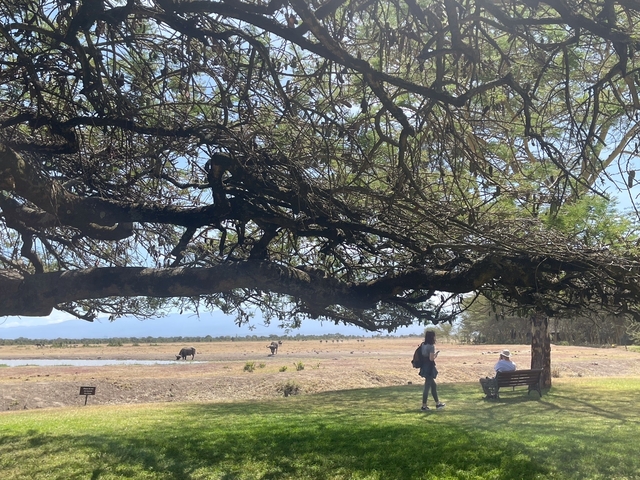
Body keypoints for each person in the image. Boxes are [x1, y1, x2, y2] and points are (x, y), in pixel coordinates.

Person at [419, 330, 446, 411]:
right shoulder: (431, 346)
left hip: (424, 366)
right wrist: (435, 355)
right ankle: (424, 406)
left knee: (433, 385)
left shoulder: (423, 345)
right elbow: (431, 358)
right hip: (429, 367)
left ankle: (438, 404)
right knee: (427, 386)